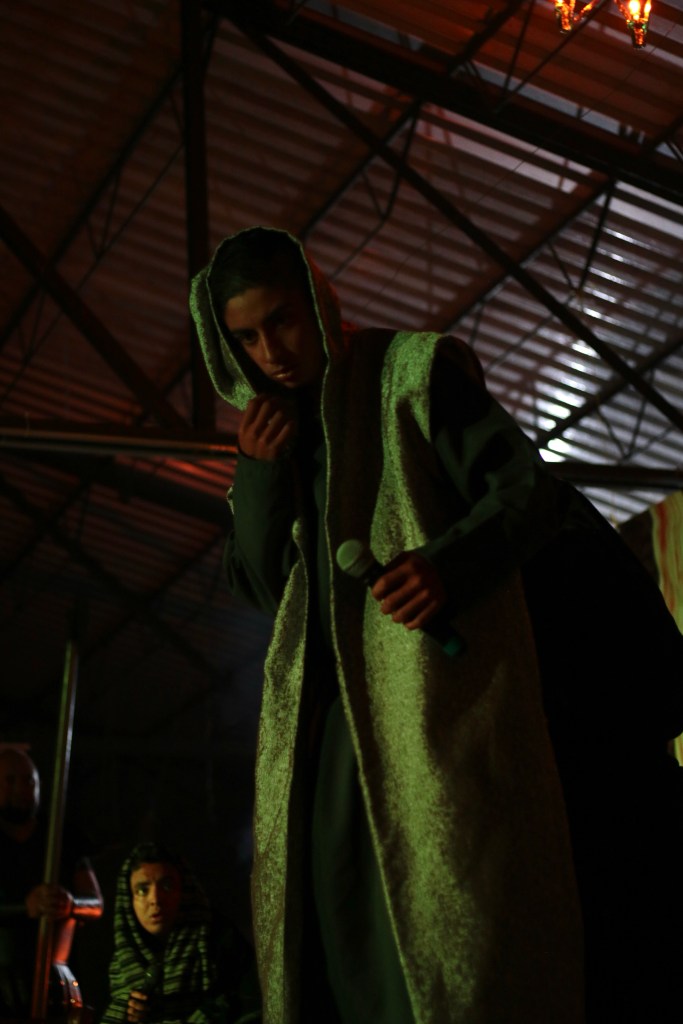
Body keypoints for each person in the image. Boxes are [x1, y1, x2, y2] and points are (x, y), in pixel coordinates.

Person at [189, 226, 683, 1024]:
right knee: (335, 907)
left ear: (318, 301)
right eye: (245, 338)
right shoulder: (276, 435)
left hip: (445, 702)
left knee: (462, 903)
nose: (270, 352)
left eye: (281, 320)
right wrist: (257, 478)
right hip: (329, 724)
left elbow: (526, 491)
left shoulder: (411, 375)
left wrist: (445, 566)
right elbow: (263, 583)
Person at [100, 841, 260, 1024]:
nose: (155, 899)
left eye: (167, 886)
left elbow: (247, 1004)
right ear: (130, 900)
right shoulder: (120, 965)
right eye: (143, 890)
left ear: (184, 891)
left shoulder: (220, 942)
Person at [0, 744, 104, 1018]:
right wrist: (23, 907)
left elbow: (95, 903)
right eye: (10, 780)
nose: (21, 789)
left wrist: (69, 903)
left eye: (29, 781)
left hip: (57, 984)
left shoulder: (62, 835)